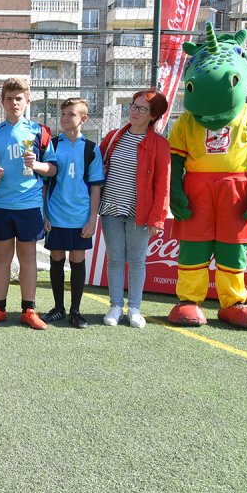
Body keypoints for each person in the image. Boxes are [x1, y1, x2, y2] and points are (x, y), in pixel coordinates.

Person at [0, 78, 57, 329]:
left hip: (29, 205)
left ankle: (29, 310)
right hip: (0, 204)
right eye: (9, 98)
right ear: (2, 102)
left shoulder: (40, 132)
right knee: (1, 258)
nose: (14, 103)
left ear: (27, 101)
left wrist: (37, 165)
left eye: (19, 98)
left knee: (28, 258)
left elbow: (53, 169)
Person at [98, 88, 170, 328]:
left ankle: (135, 308)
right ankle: (115, 306)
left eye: (142, 109)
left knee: (138, 260)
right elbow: (97, 168)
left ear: (153, 115)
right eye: (133, 106)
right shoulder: (113, 137)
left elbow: (163, 185)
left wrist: (157, 218)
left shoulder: (160, 144)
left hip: (140, 212)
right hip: (110, 209)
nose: (135, 111)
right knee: (115, 259)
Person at [43, 98, 104, 329]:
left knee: (77, 260)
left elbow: (96, 186)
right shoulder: (52, 145)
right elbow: (45, 184)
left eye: (71, 114)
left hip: (80, 217)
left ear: (83, 119)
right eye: (63, 113)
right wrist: (44, 213)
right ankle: (58, 308)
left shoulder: (91, 149)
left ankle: (75, 311)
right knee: (56, 258)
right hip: (56, 215)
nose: (65, 118)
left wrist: (92, 218)